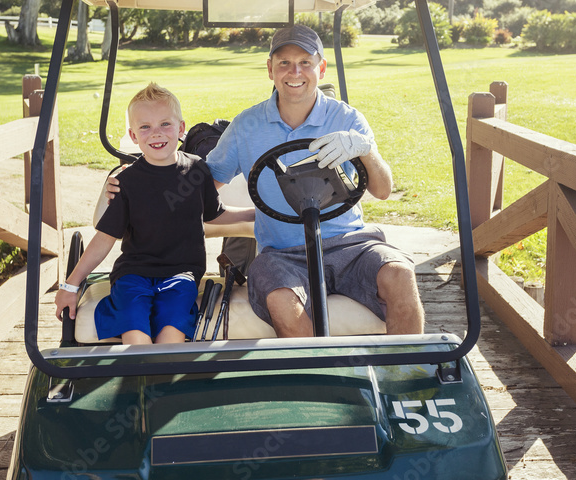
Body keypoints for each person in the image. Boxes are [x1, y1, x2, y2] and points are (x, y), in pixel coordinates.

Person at [206, 24, 424, 337]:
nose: (295, 71)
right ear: (270, 70)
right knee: (280, 296)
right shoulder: (246, 125)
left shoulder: (347, 119)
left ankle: (409, 374)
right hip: (283, 255)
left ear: (320, 68)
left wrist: (366, 150)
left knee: (400, 273)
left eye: (305, 62)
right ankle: (326, 378)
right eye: (284, 63)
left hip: (351, 244)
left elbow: (383, 190)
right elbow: (205, 184)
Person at [55, 83, 253, 345]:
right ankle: (144, 380)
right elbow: (104, 238)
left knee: (172, 331)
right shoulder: (126, 182)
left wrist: (254, 214)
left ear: (181, 129)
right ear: (133, 135)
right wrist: (70, 285)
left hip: (181, 274)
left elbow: (214, 215)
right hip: (133, 273)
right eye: (145, 127)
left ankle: (159, 381)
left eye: (165, 124)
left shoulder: (197, 171)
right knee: (135, 328)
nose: (155, 134)